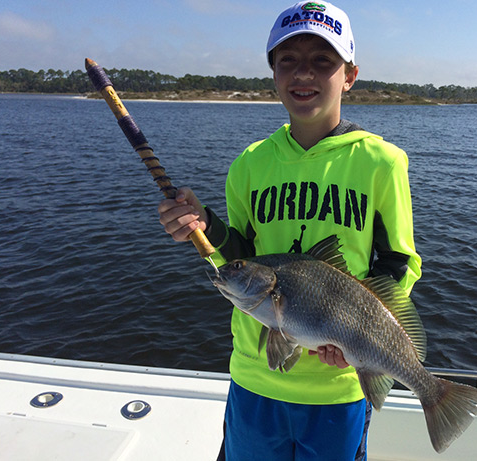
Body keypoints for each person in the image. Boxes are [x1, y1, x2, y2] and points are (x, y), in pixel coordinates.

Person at [158, 2, 421, 459]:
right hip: (254, 375)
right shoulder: (249, 163)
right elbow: (241, 253)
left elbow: (399, 263)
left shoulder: (382, 162)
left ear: (350, 75)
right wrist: (205, 226)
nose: (303, 73)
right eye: (288, 60)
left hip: (339, 384)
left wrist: (362, 334)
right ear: (273, 74)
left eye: (322, 60)